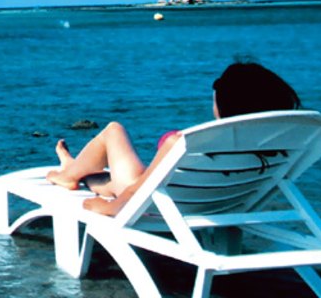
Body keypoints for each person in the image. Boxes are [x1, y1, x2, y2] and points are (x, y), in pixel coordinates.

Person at [45, 61, 302, 217]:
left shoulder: (182, 142)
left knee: (114, 131)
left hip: (157, 205)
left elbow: (137, 190)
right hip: (219, 203)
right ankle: (75, 170)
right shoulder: (282, 146)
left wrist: (108, 208)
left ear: (224, 103)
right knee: (112, 180)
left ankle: (69, 174)